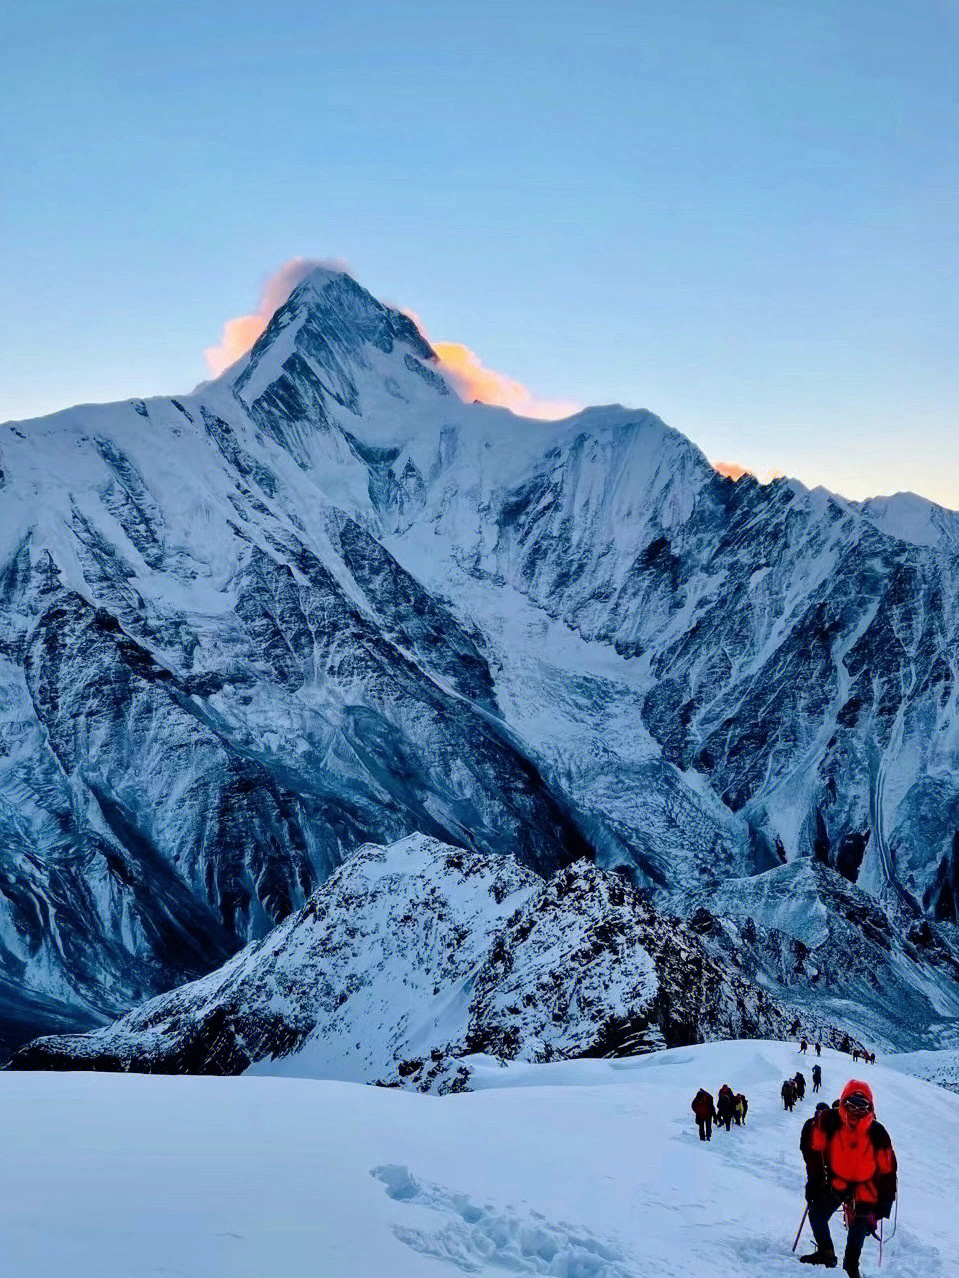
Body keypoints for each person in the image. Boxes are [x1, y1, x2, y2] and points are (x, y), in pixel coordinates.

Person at [798, 1080, 897, 1278]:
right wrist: (814, 1181)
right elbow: (812, 1148)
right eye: (853, 1103)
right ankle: (830, 1255)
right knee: (818, 1214)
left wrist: (885, 1200)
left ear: (870, 1107)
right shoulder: (830, 1121)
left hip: (860, 1185)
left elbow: (887, 1169)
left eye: (863, 1105)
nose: (857, 1110)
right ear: (844, 1101)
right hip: (837, 1182)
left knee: (856, 1225)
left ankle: (849, 1264)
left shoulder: (875, 1132)